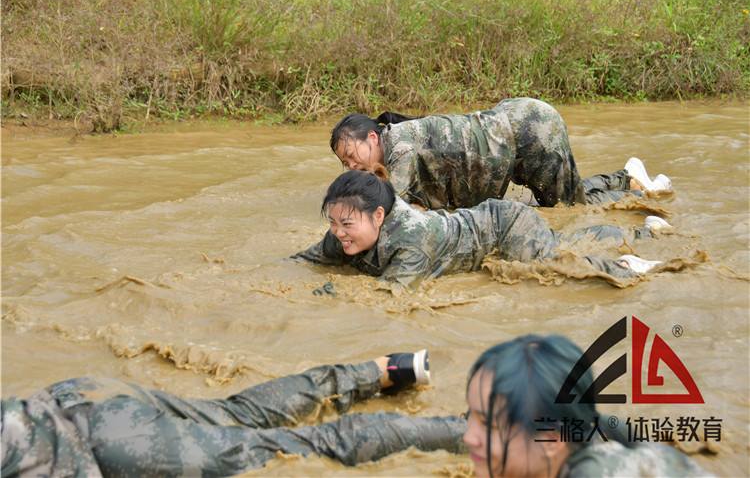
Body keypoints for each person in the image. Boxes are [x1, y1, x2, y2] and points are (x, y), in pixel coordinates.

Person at [1, 350, 466, 477]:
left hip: (106, 447)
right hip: (75, 396)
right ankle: (387, 369)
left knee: (302, 448)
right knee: (235, 411)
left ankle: (472, 432)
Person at [294, 170, 671, 290]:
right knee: (560, 244)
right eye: (332, 222)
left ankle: (629, 262)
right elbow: (303, 260)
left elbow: (387, 296)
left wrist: (332, 293)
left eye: (346, 224)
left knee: (556, 264)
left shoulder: (411, 240)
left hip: (505, 227)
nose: (338, 232)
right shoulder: (343, 232)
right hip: (484, 223)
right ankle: (646, 231)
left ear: (378, 216)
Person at [329, 98, 672, 209]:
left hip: (530, 130)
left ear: (372, 137)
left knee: (570, 209)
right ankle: (629, 179)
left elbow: (389, 210)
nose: (350, 165)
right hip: (508, 130)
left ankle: (630, 183)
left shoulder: (399, 147)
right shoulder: (392, 146)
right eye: (343, 163)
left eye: (351, 154)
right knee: (564, 197)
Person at [463, 334, 710, 477]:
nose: (468, 437)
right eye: (470, 416)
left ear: (551, 440)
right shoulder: (576, 430)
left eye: (486, 423)